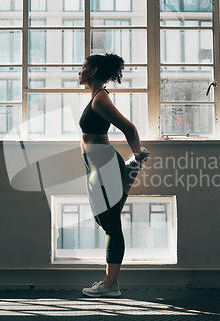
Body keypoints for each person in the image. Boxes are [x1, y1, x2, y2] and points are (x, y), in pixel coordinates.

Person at [78, 53, 150, 297]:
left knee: (110, 225)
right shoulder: (97, 98)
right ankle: (132, 168)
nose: (80, 72)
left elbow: (129, 128)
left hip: (103, 164)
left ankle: (111, 285)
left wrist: (138, 151)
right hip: (98, 164)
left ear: (94, 71)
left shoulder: (100, 99)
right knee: (106, 219)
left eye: (83, 67)